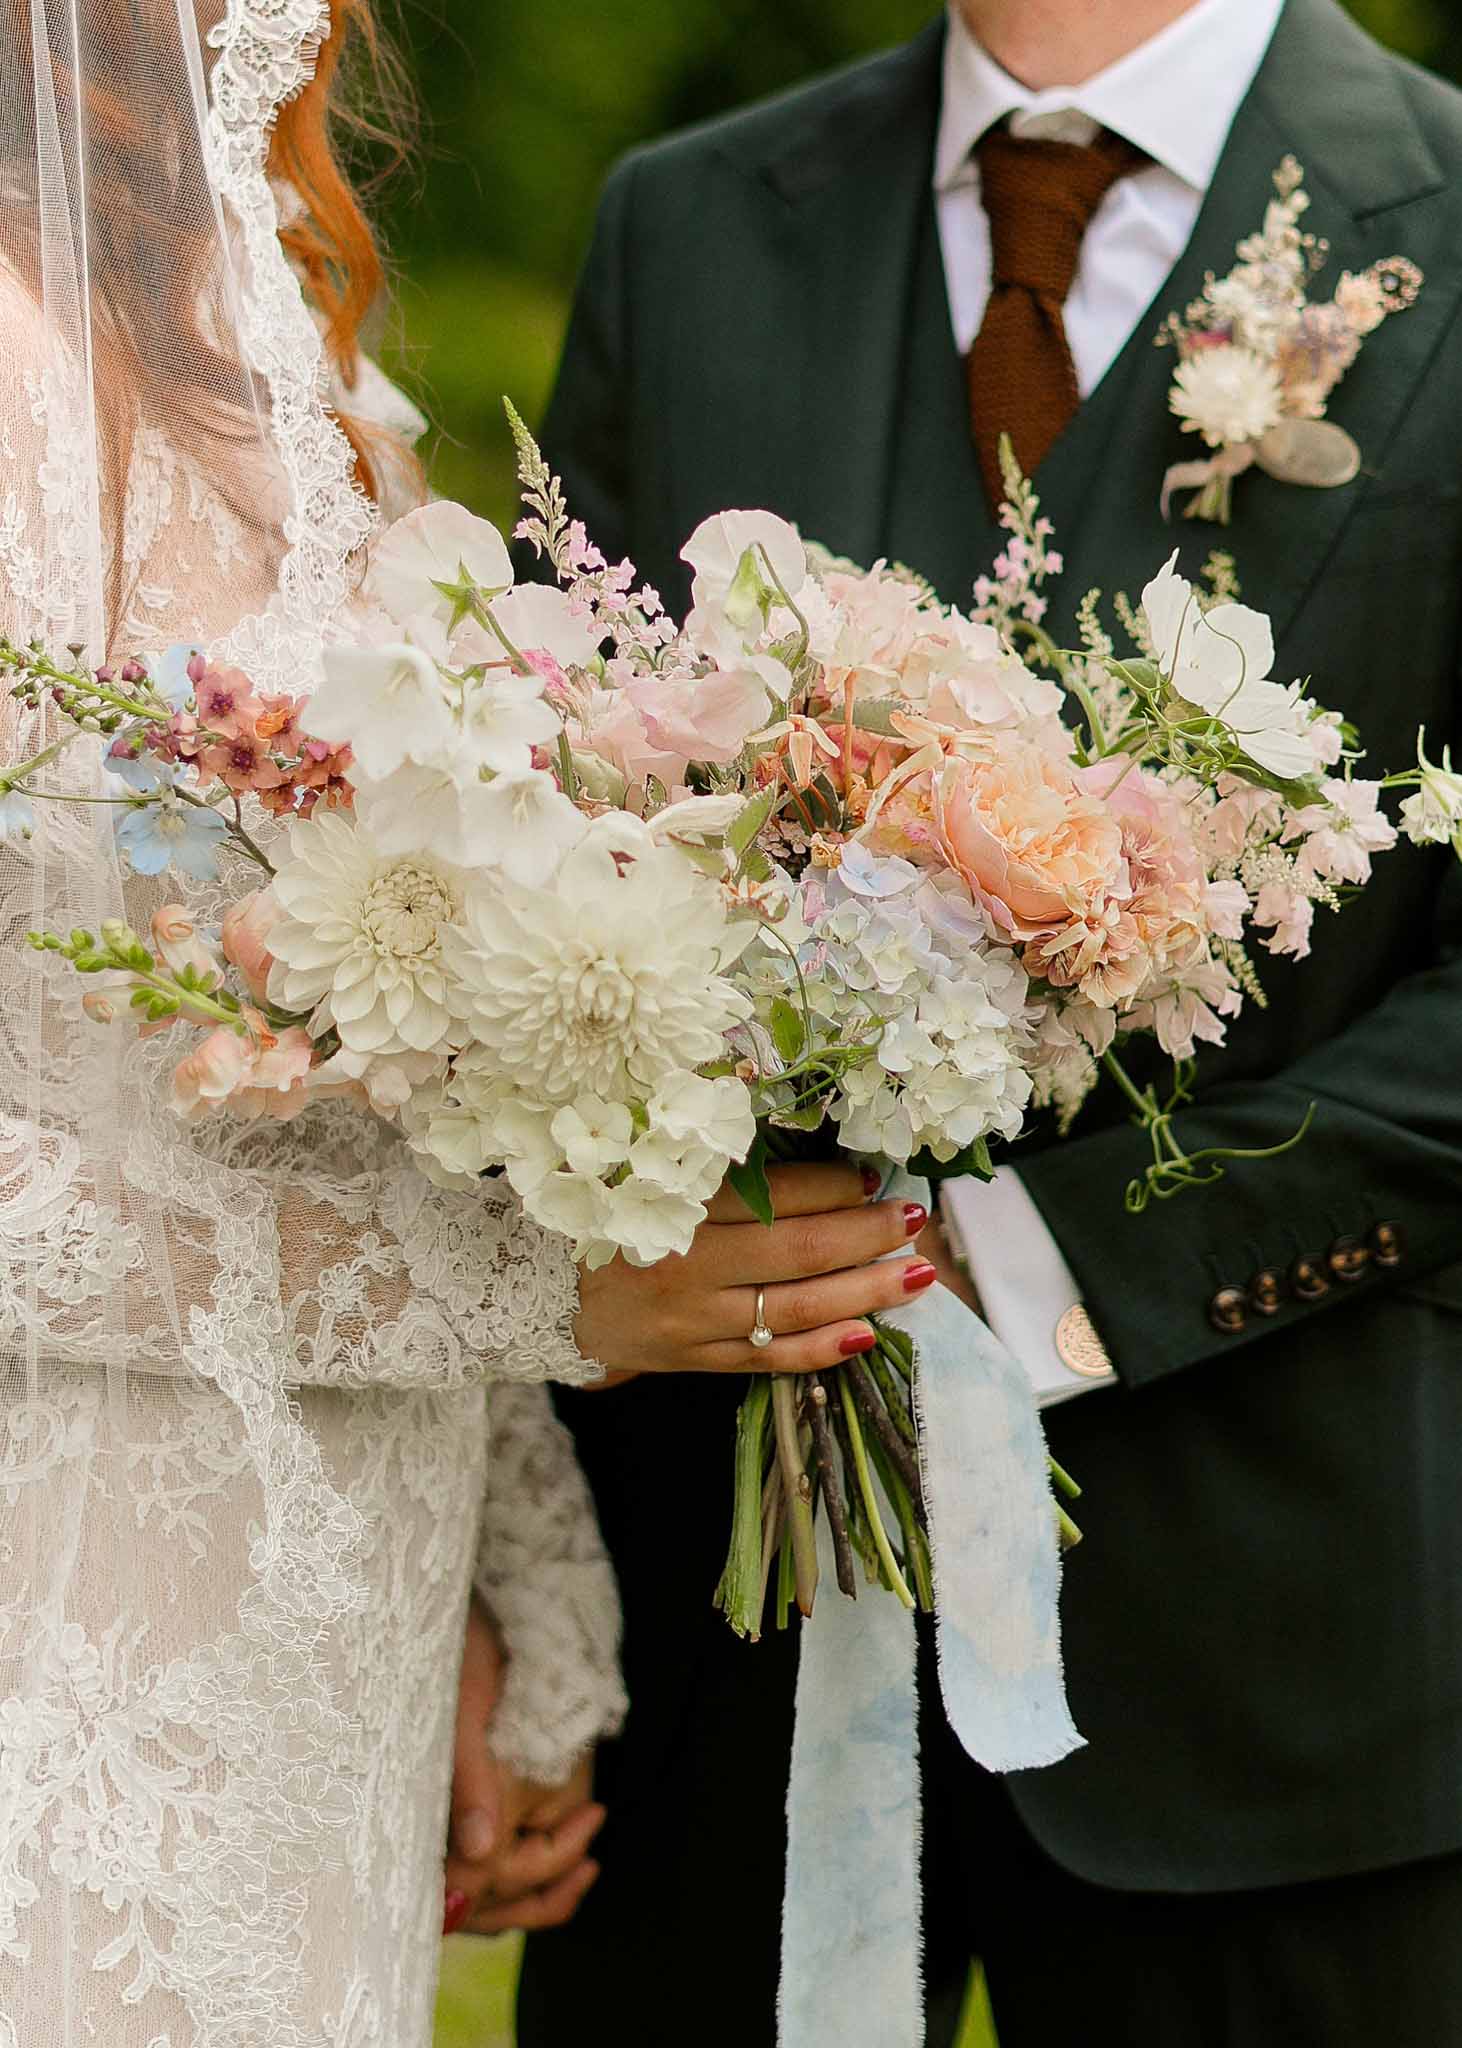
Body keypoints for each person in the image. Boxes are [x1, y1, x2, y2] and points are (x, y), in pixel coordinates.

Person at [523, 0, 1462, 2041]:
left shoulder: (1447, 211)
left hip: (1282, 1679)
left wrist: (1027, 1266)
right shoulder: (681, 222)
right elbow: (541, 849)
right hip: (714, 1659)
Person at [0, 4, 923, 2041]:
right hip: (52, 1586)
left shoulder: (326, 402)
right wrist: (529, 1299)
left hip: (334, 1609)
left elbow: (386, 1096)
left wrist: (522, 1611)